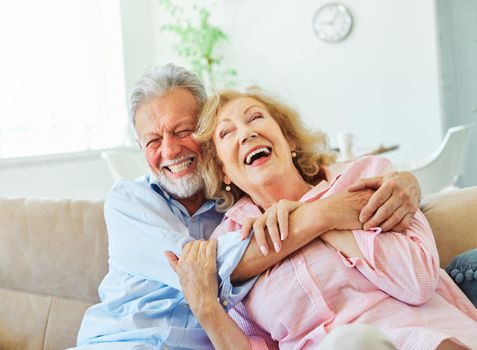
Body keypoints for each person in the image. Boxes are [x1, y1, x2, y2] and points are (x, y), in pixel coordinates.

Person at [74, 64, 422, 349]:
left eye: (183, 130)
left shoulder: (239, 206)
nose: (170, 150)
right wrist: (326, 212)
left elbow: (316, 171)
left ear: (208, 136)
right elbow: (205, 270)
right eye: (152, 141)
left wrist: (409, 182)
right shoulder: (130, 202)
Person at [168, 87, 477, 350]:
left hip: (424, 339)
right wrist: (207, 310)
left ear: (288, 140)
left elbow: (417, 281)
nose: (246, 133)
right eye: (227, 133)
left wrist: (315, 213)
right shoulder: (231, 244)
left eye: (255, 118)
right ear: (223, 171)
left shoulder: (364, 178)